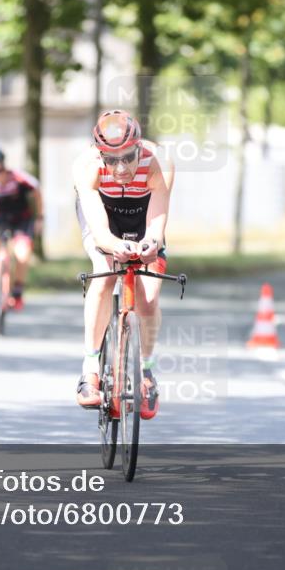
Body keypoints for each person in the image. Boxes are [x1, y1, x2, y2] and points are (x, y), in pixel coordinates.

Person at [72, 109, 174, 419]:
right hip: (103, 214)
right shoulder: (86, 166)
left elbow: (156, 227)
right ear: (99, 153)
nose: (120, 167)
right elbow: (101, 234)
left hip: (142, 214)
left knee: (149, 296)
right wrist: (116, 246)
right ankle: (90, 369)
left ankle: (146, 370)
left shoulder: (159, 162)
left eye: (127, 157)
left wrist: (150, 244)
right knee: (104, 273)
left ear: (138, 147)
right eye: (111, 159)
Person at [0, 147, 43, 310]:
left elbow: (37, 192)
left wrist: (39, 217)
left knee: (22, 254)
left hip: (22, 220)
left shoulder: (19, 178)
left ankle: (17, 293)